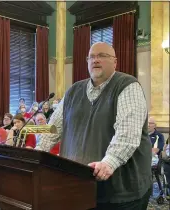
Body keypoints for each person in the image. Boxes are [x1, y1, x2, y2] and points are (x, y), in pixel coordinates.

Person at [35, 42, 152, 209]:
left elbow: (128, 133)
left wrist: (109, 162)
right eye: (92, 57)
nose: (96, 60)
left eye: (102, 56)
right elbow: (53, 128)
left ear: (115, 62)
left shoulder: (127, 85)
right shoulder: (73, 91)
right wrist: (38, 152)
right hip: (78, 186)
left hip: (121, 192)